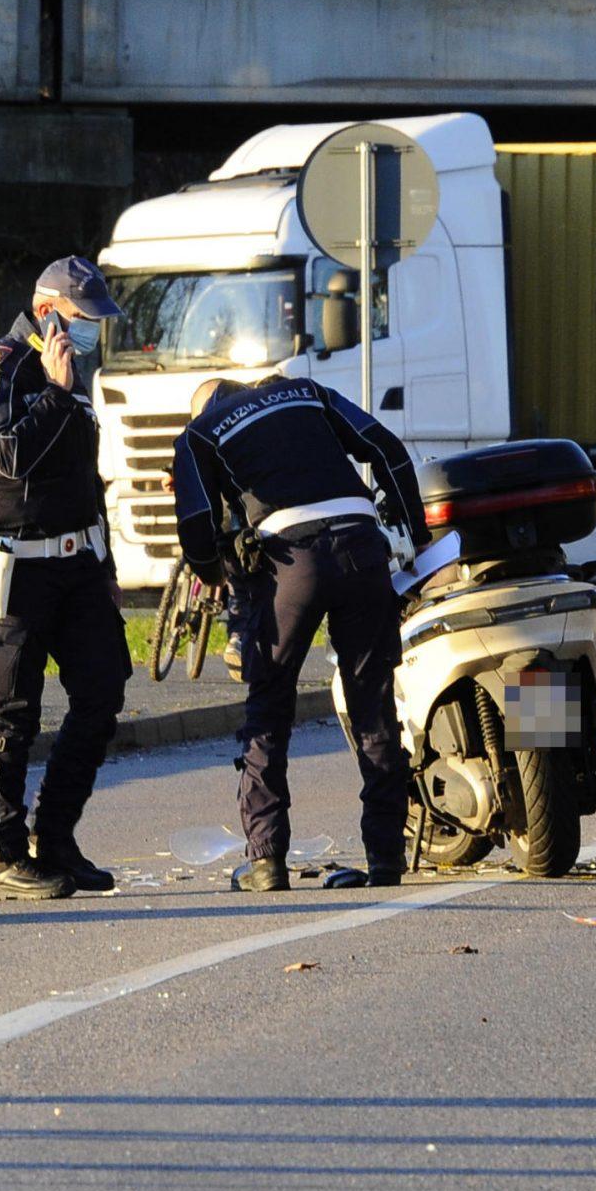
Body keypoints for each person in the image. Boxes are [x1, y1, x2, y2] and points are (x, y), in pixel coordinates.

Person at [171, 372, 429, 893]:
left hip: (292, 559)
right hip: (361, 545)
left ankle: (266, 860)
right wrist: (415, 532)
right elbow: (385, 446)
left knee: (268, 707)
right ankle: (385, 858)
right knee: (373, 706)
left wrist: (215, 572)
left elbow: (197, 523)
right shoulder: (306, 391)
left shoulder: (200, 434)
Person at [0, 257, 132, 901]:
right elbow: (7, 457)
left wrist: (106, 564)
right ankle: (5, 854)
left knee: (103, 690)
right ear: (49, 310)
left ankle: (55, 838)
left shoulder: (72, 376)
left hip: (77, 565)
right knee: (13, 712)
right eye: (85, 321)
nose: (92, 336)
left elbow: (88, 480)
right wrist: (56, 393)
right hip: (15, 568)